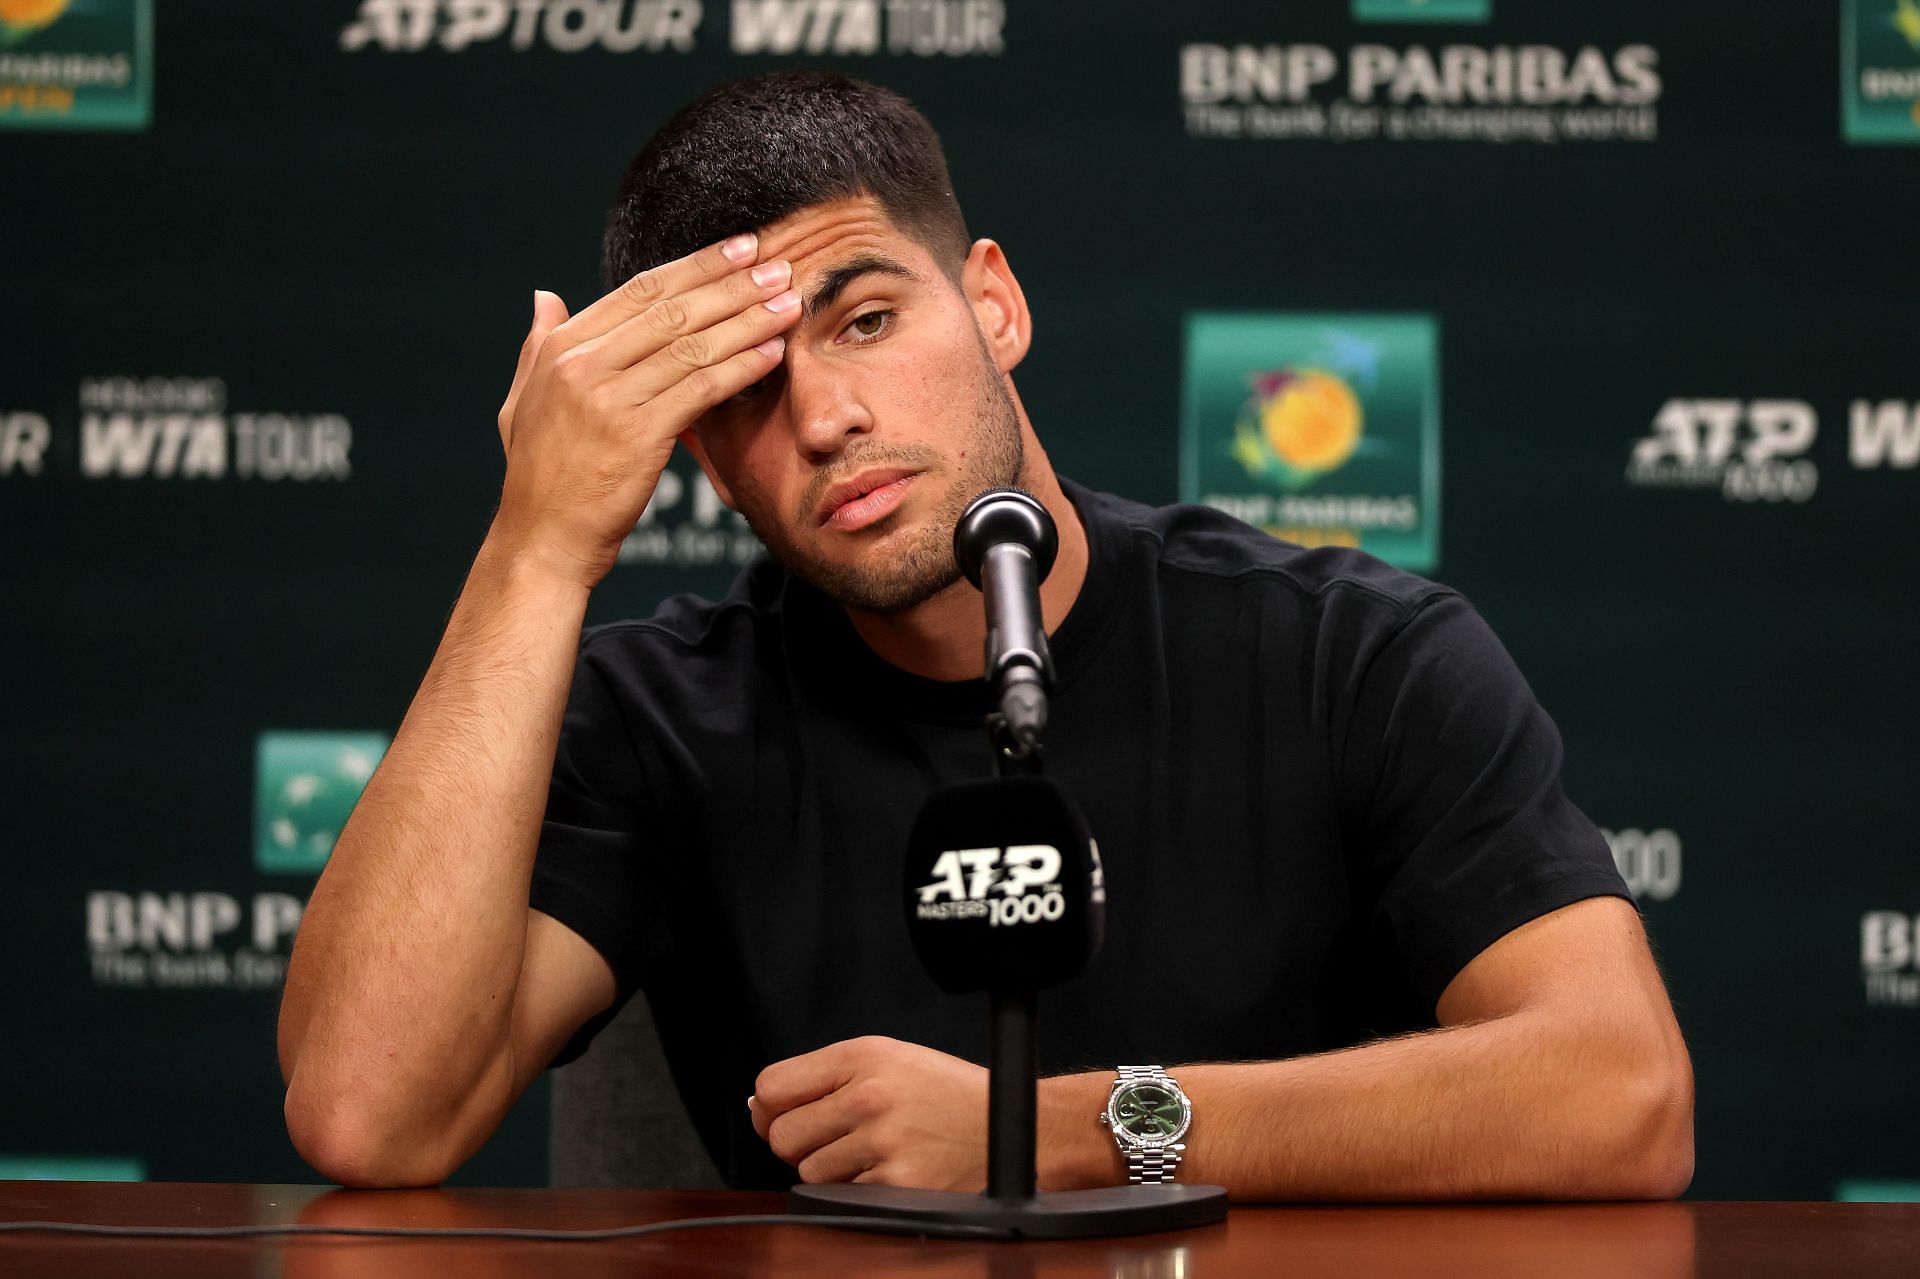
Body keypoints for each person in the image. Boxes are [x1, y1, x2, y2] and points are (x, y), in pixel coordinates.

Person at [277, 71, 1694, 1198]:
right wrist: (535, 549)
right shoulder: (666, 718)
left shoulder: (1346, 653)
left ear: (996, 304)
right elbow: (367, 1108)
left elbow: (1622, 1095)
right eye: (749, 393)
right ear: (703, 463)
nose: (826, 417)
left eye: (869, 318)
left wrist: (1054, 1136)